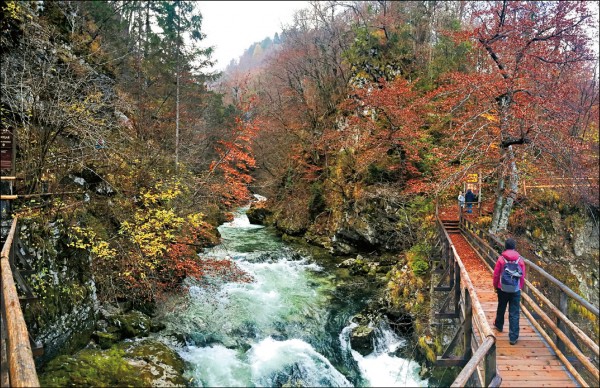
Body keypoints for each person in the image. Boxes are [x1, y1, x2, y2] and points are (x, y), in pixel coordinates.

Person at [492, 238, 526, 345]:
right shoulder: (520, 260)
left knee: (501, 306)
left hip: (502, 288)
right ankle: (513, 337)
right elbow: (522, 275)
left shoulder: (501, 259)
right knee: (514, 312)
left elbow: (496, 274)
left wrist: (495, 286)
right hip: (515, 289)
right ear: (514, 247)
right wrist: (519, 287)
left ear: (505, 246)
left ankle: (499, 325)